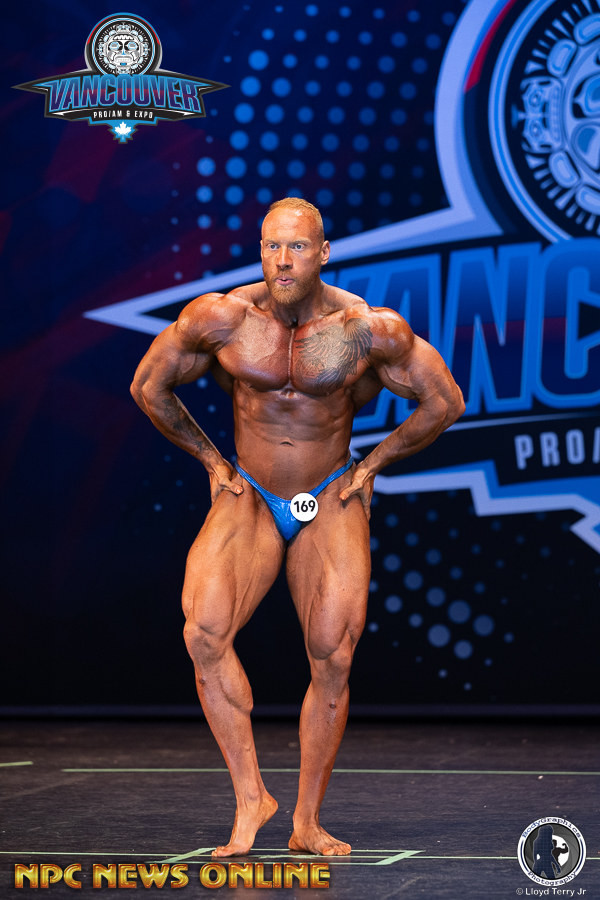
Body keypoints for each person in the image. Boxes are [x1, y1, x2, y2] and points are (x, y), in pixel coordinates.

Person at [130, 197, 465, 858]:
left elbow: (444, 400)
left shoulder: (365, 329)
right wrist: (210, 459)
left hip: (328, 491)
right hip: (250, 494)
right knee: (203, 632)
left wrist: (372, 464)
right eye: (272, 246)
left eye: (297, 247)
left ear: (323, 252)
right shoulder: (223, 318)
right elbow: (148, 386)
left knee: (333, 653)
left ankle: (307, 821)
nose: (282, 261)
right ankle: (251, 797)